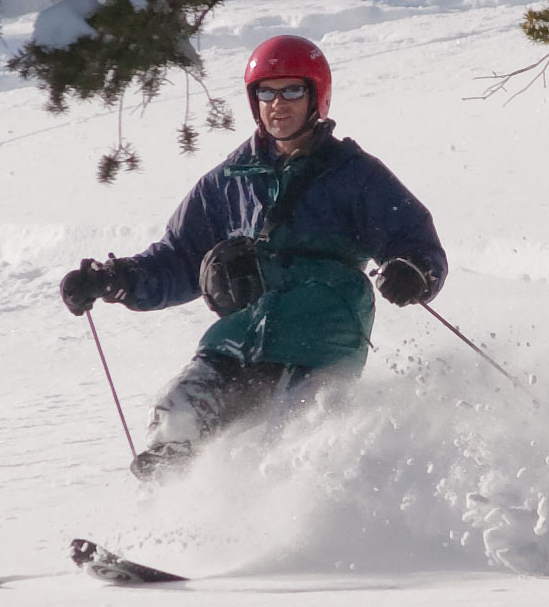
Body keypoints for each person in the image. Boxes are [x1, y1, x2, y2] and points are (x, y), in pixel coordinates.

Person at [60, 35, 448, 479]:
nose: (277, 104)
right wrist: (119, 278)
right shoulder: (230, 179)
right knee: (179, 412)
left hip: (321, 339)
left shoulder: (354, 175)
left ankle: (292, 537)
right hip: (239, 335)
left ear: (316, 96)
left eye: (291, 91)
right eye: (265, 92)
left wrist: (413, 271)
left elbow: (413, 237)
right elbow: (181, 254)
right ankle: (170, 530)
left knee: (284, 447)